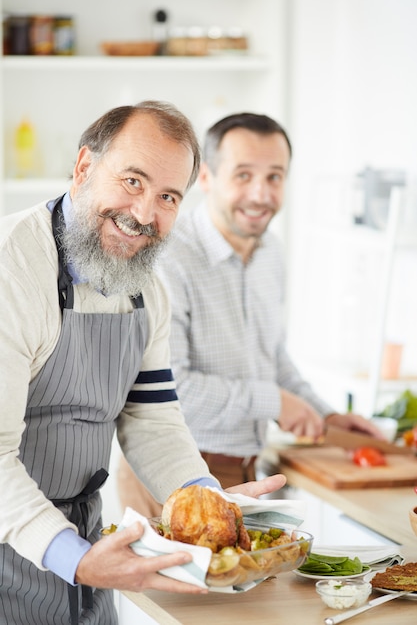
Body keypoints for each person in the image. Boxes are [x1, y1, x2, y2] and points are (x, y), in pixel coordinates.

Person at [0, 101, 287, 625]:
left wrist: (207, 499)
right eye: (132, 181)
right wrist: (76, 558)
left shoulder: (145, 288)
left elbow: (151, 418)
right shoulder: (11, 268)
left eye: (168, 197)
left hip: (90, 543)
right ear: (84, 167)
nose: (144, 214)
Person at [117, 111, 384, 513]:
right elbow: (170, 390)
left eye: (274, 177)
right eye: (243, 175)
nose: (260, 194)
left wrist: (325, 416)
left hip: (244, 473)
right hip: (170, 474)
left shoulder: (271, 252)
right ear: (206, 179)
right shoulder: (168, 258)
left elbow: (272, 357)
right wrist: (275, 402)